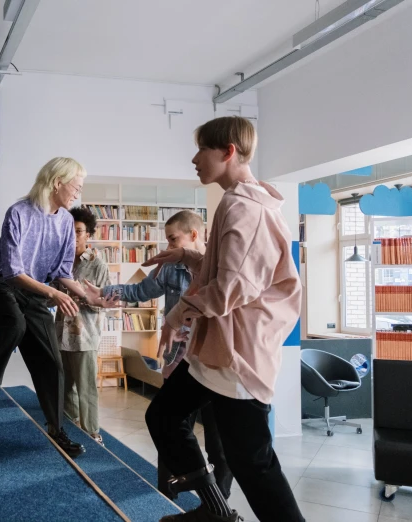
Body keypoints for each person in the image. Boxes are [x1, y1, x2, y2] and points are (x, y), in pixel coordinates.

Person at [143, 116, 304, 522]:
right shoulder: (238, 201)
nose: (194, 158)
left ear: (228, 151)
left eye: (202, 149)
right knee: (164, 416)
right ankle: (214, 511)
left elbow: (235, 289)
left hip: (237, 355)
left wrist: (179, 311)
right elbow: (233, 269)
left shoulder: (243, 207)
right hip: (217, 350)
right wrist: (188, 256)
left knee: (253, 463)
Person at [0, 157, 104, 459]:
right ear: (58, 182)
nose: (78, 192)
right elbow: (11, 271)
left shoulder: (64, 221)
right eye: (77, 186)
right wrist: (53, 292)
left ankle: (56, 428)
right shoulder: (19, 212)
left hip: (35, 290)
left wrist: (91, 295)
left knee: (52, 360)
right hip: (4, 284)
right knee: (15, 326)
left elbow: (63, 272)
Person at [84, 210, 234, 499]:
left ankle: (218, 502)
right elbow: (140, 290)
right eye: (166, 240)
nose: (168, 246)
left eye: (173, 239)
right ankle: (168, 492)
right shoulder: (169, 267)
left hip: (213, 361)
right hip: (179, 360)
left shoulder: (217, 267)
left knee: (218, 440)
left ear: (193, 235)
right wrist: (103, 292)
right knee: (170, 428)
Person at [53, 207, 110, 445]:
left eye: (78, 231)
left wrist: (79, 296)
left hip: (85, 335)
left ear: (88, 234)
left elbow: (105, 301)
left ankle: (92, 433)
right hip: (60, 334)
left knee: (86, 389)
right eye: (69, 231)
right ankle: (70, 431)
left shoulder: (98, 263)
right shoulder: (60, 260)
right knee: (64, 388)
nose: (74, 236)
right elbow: (50, 297)